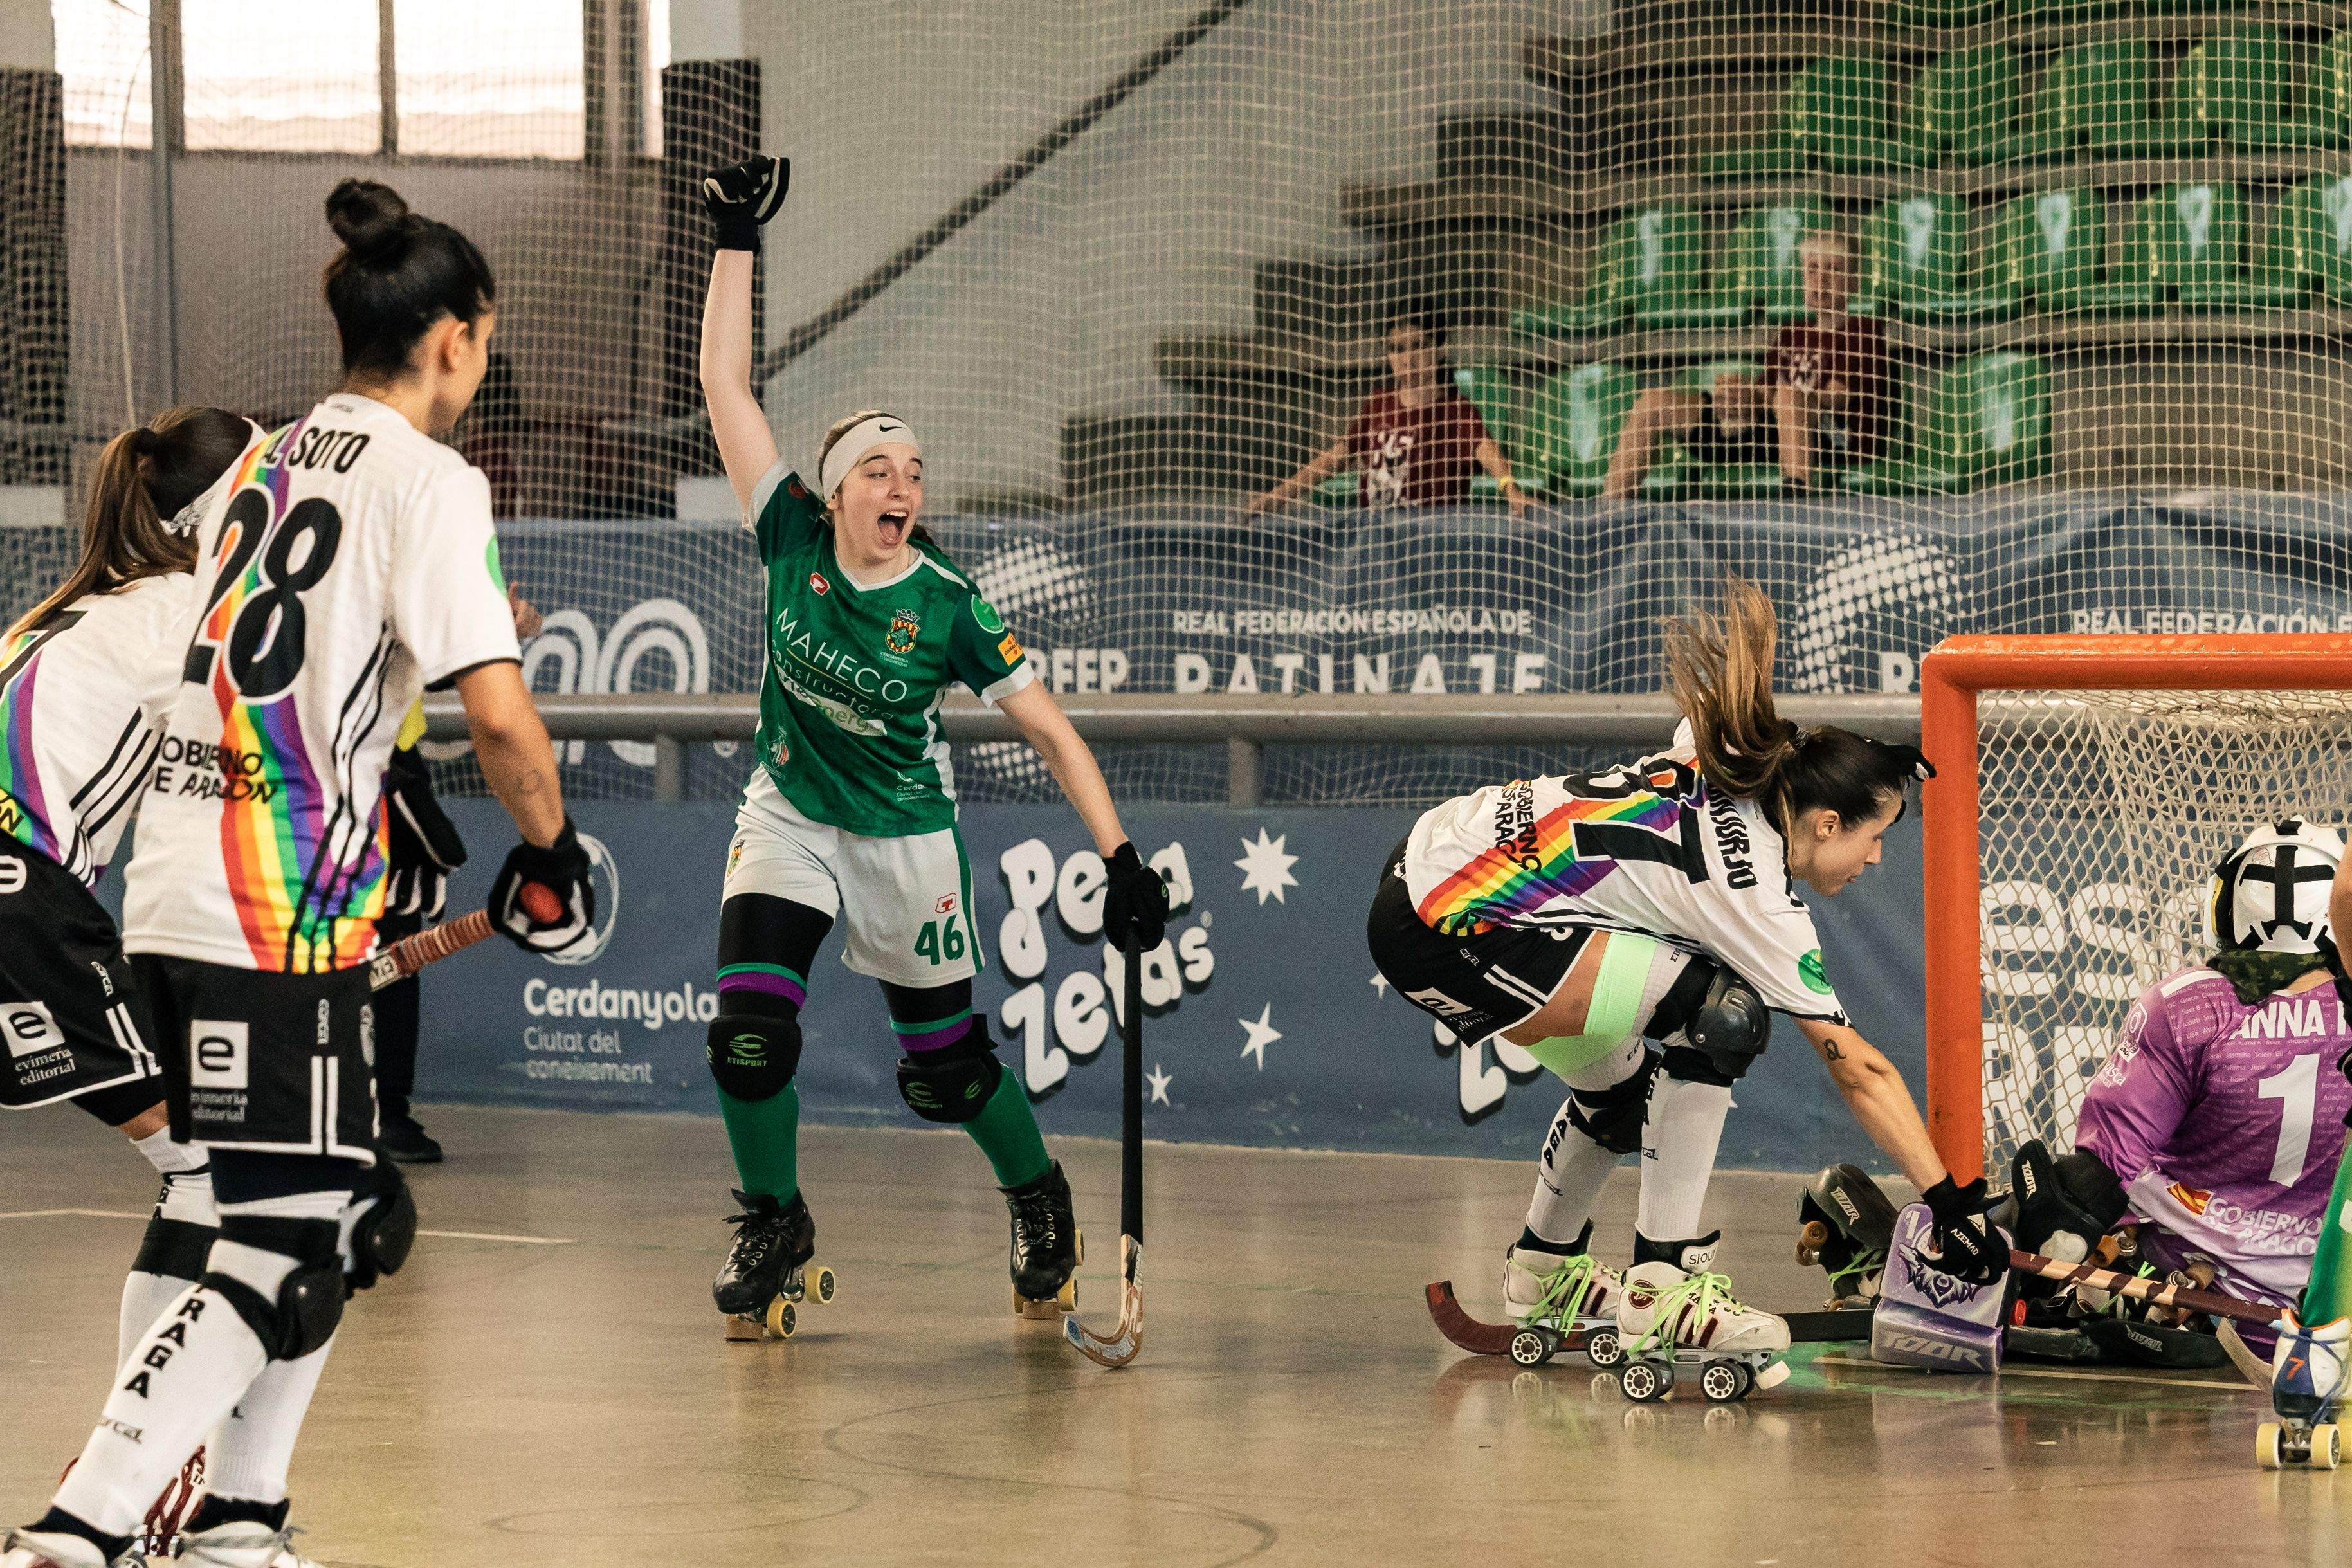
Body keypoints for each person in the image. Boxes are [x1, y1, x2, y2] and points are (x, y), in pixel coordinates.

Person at [5, 178, 592, 1568]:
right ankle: (82, 1526)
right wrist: (552, 851)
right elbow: (500, 717)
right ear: (451, 339)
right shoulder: (429, 479)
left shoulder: (258, 470)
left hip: (171, 891)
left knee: (300, 1215)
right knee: (291, 1239)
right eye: (487, 338)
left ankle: (238, 1521)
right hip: (273, 905)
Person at [695, 154, 1169, 1333]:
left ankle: (1037, 1192)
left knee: (943, 1070)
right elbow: (722, 381)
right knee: (748, 1037)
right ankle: (772, 1215)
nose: (900, 483)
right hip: (788, 814)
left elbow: (1050, 730)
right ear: (832, 491)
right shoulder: (787, 534)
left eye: (913, 470)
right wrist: (737, 236)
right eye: (877, 468)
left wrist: (1119, 855)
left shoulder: (947, 602)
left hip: (904, 836)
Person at [1366, 578, 1999, 1365]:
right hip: (1452, 923)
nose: (1873, 859)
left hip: (1430, 865)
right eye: (1874, 837)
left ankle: (1543, 1270)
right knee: (1725, 1013)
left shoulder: (1733, 756)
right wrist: (1950, 1202)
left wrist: (1869, 760)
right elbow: (1859, 1070)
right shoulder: (1755, 894)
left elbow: (1766, 744)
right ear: (1826, 822)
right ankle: (1662, 1289)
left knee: (1621, 1091)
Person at [0, 408, 249, 1545]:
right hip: (21, 897)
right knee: (209, 1171)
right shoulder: (185, 615)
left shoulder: (65, 608)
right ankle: (133, 1473)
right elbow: (244, 777)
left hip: (25, 894)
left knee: (189, 1163)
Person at [2056, 821, 2352, 1360]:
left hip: (2176, 1257)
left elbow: (2107, 1163)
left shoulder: (2187, 1003)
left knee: (2054, 1200)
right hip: (2325, 1288)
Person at [372, 587, 543, 1165]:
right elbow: (489, 709)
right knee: (387, 951)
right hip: (365, 773)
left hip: (379, 768)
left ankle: (379, 1110)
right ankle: (376, 1112)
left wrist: (494, 628)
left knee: (389, 950)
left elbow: (423, 652)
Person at [1601, 230, 1891, 498]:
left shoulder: (1864, 330)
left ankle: (1799, 501)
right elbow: (1765, 392)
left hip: (1834, 438)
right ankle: (1609, 509)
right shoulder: (1792, 332)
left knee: (1789, 397)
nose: (1820, 281)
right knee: (1653, 402)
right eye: (1813, 269)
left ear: (1853, 281)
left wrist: (1791, 398)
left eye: (1834, 270)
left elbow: (1838, 397)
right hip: (1773, 433)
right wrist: (1739, 396)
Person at [1244, 305, 1531, 519]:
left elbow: (1485, 449)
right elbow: (1336, 457)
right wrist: (1276, 497)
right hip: (1377, 544)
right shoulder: (1379, 404)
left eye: (1418, 346)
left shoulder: (1456, 410)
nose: (1408, 359)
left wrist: (1511, 489)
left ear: (1440, 350)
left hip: (1433, 544)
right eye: (1397, 349)